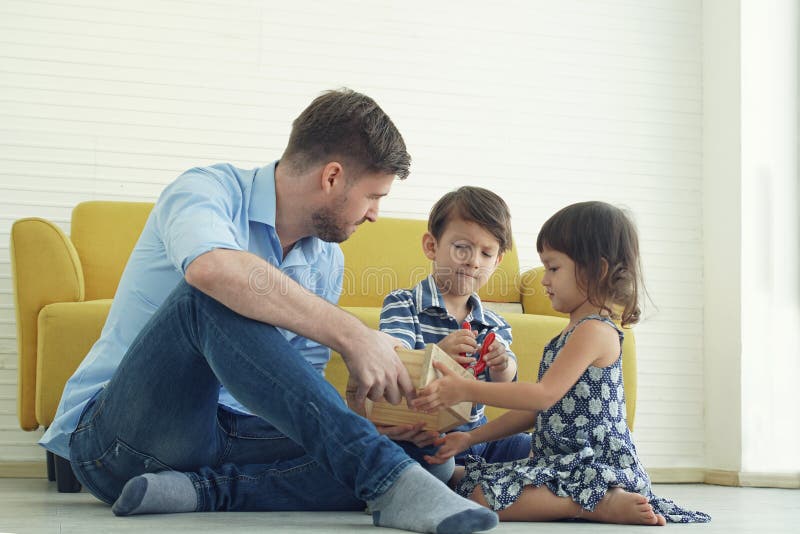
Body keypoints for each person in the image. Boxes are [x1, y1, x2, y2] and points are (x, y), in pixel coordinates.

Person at [39, 89, 498, 534]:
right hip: (124, 437)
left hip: (229, 440)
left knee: (421, 460)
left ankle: (201, 492)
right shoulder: (205, 190)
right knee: (211, 294)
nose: (375, 213)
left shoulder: (325, 260)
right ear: (332, 177)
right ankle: (383, 476)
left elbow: (294, 385)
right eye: (374, 196)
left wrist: (364, 414)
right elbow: (213, 271)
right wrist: (355, 336)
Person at [413, 201, 711, 525]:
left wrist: (464, 389)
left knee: (483, 498)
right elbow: (536, 411)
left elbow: (542, 395)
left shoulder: (595, 330)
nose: (544, 280)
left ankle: (593, 503)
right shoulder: (568, 334)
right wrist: (471, 438)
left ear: (596, 270)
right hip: (559, 463)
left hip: (592, 465)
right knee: (461, 480)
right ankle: (579, 497)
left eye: (553, 268)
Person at [376, 186, 531, 480]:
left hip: (477, 439)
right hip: (421, 438)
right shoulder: (403, 304)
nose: (474, 261)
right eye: (462, 247)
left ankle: (468, 476)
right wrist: (440, 355)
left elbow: (505, 391)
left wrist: (502, 365)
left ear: (497, 262)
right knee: (414, 459)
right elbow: (392, 362)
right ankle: (469, 478)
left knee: (541, 446)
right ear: (432, 246)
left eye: (486, 253)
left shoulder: (494, 325)